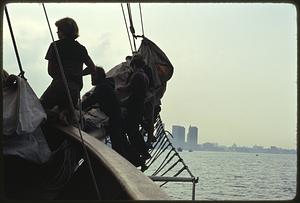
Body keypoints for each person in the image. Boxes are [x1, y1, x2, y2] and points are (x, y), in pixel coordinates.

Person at [40, 17, 96, 124]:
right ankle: (65, 113)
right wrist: (78, 74)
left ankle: (56, 116)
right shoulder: (81, 49)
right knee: (67, 110)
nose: (57, 33)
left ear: (63, 31)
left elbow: (50, 70)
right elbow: (93, 69)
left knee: (39, 108)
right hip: (75, 89)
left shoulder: (55, 46)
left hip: (59, 84)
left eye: (58, 30)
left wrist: (61, 77)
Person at [81, 66, 127, 157]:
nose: (91, 79)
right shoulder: (107, 85)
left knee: (118, 146)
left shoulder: (102, 87)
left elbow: (91, 100)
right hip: (117, 117)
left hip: (114, 119)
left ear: (97, 76)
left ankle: (120, 166)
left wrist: (78, 107)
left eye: (93, 76)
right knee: (122, 144)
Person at [123, 54, 152, 163]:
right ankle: (141, 152)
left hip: (134, 106)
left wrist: (121, 99)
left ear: (134, 65)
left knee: (131, 131)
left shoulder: (137, 75)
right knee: (133, 130)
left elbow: (131, 91)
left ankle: (141, 152)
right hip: (139, 106)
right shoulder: (145, 76)